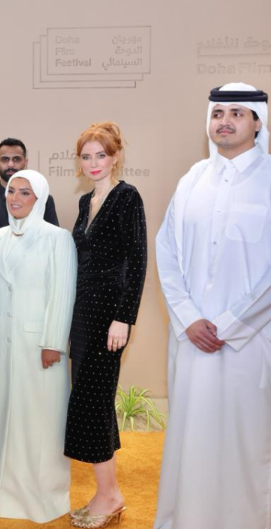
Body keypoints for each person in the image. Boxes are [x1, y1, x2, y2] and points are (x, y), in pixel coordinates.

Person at [154, 83, 271, 529]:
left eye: (237, 113)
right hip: (192, 340)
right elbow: (166, 252)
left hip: (251, 342)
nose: (225, 121)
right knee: (192, 439)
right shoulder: (192, 180)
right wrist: (189, 318)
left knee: (247, 443)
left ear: (258, 122)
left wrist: (231, 323)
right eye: (218, 112)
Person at [63, 122, 146, 528]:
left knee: (93, 403)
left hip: (109, 316)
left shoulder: (127, 197)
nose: (93, 163)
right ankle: (106, 491)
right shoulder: (85, 202)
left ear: (115, 158)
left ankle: (110, 495)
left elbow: (138, 260)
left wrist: (124, 318)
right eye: (86, 156)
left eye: (101, 155)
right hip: (83, 314)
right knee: (93, 402)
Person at [0, 170, 77, 523]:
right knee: (2, 415)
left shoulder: (57, 238)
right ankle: (5, 490)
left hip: (39, 347)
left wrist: (53, 342)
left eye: (25, 192)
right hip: (0, 344)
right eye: (12, 191)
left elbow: (62, 292)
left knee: (41, 422)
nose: (16, 198)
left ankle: (44, 495)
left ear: (39, 198)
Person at [0, 138, 60, 230]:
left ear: (25, 163)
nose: (11, 164)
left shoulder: (43, 199)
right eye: (5, 159)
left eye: (16, 159)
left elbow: (53, 234)